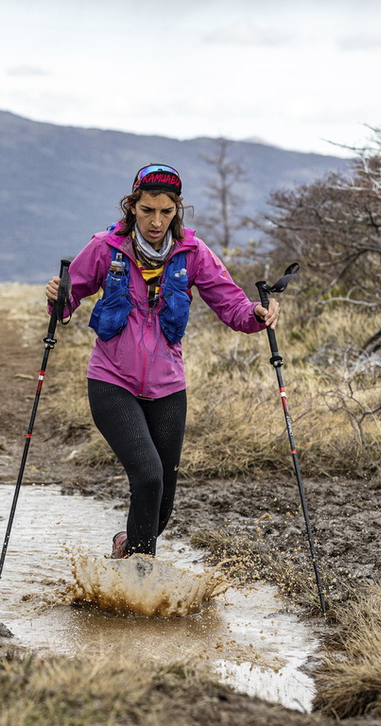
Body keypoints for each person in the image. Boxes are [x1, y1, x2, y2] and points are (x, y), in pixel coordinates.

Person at [46, 163, 279, 559]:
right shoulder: (105, 247)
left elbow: (232, 305)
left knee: (162, 504)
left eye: (166, 212)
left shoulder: (193, 253)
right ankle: (137, 587)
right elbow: (69, 297)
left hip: (168, 386)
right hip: (111, 380)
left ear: (178, 210)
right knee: (149, 477)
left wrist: (257, 313)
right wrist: (57, 296)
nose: (156, 221)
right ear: (132, 206)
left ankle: (126, 551)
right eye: (147, 210)